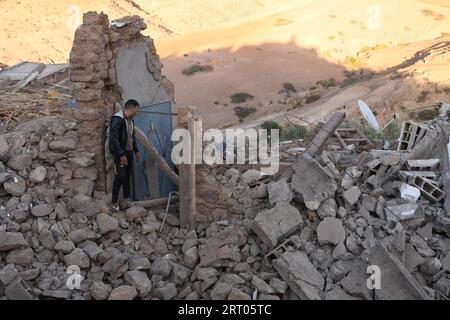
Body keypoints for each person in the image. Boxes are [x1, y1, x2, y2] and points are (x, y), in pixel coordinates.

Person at [109, 99, 141, 211]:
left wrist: (136, 151)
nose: (136, 113)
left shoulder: (131, 121)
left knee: (127, 176)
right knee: (120, 176)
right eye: (136, 111)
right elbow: (113, 138)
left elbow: (131, 137)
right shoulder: (117, 119)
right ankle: (114, 202)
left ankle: (126, 199)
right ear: (131, 108)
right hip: (119, 153)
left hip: (128, 152)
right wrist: (121, 155)